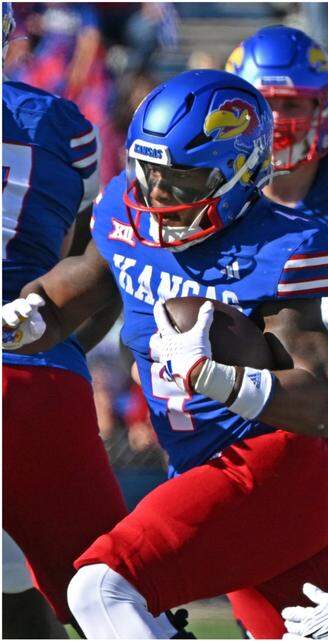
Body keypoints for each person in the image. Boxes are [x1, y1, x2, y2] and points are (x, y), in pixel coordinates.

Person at [3, 69, 328, 639]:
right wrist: (29, 315)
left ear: (238, 175)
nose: (155, 197)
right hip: (202, 470)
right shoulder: (125, 215)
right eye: (147, 175)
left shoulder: (282, 246)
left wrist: (220, 379)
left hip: (270, 470)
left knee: (100, 588)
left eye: (178, 182)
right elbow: (74, 290)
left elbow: (322, 404)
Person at [223, 26, 328, 630]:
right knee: (283, 606)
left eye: (294, 104)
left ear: (326, 108)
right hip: (269, 430)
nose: (281, 120)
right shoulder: (211, 189)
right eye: (266, 103)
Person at [2, 2, 131, 631]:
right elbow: (91, 279)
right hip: (35, 373)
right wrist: (63, 349)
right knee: (112, 600)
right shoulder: (63, 126)